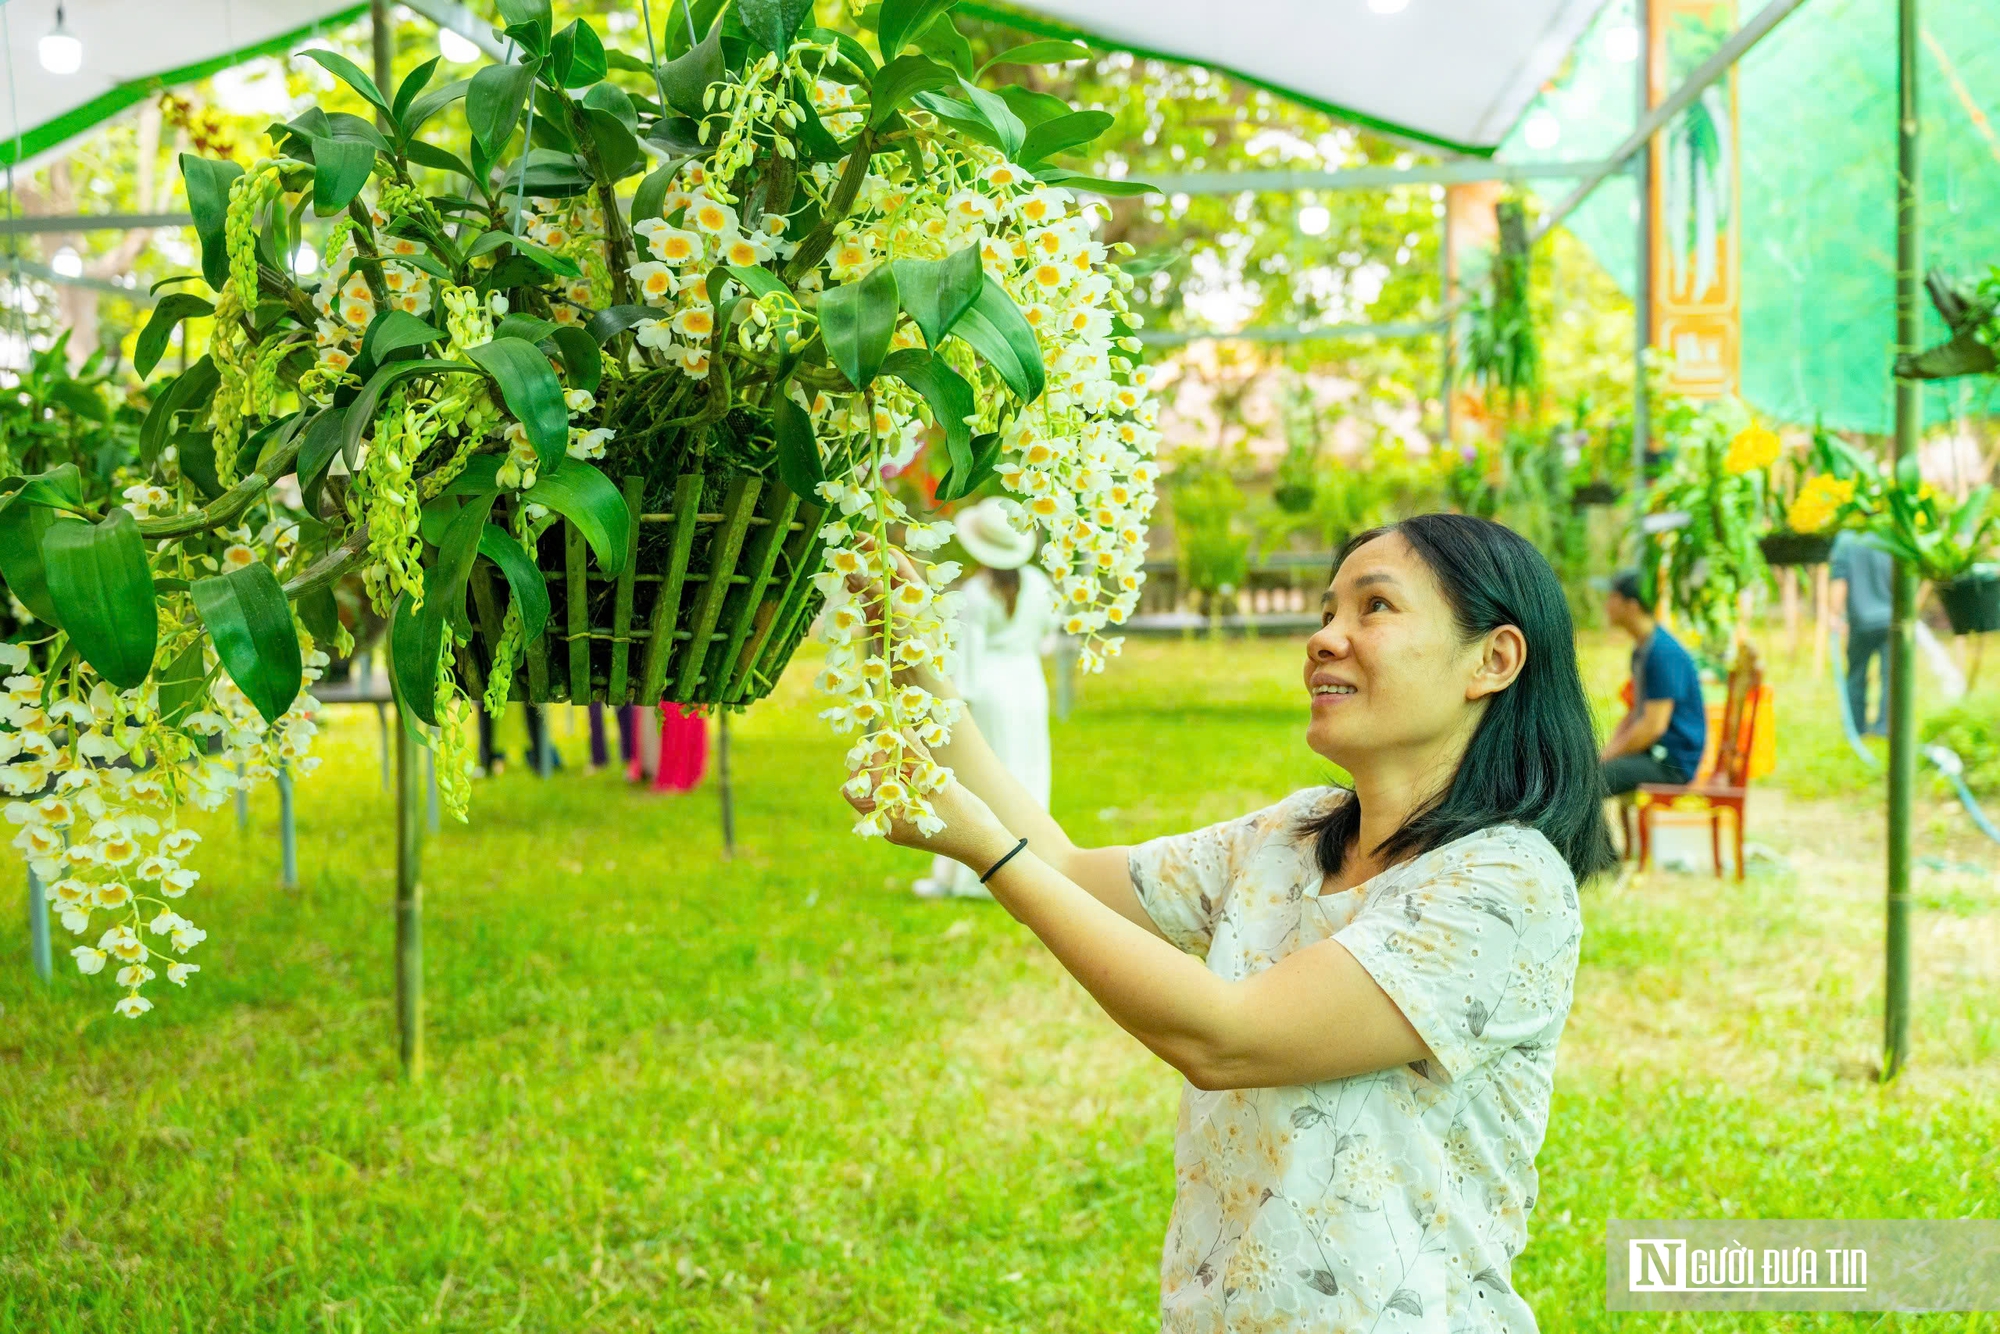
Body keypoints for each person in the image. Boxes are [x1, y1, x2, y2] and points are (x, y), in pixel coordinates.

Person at [840, 514, 1613, 1330]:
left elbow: (1229, 1037)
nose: (1324, 639)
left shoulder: (1507, 882)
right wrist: (912, 654)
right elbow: (1063, 868)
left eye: (1373, 608)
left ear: (1492, 660)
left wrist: (990, 855)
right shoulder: (1294, 836)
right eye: (1325, 613)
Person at [912, 498, 1060, 900]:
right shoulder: (1039, 584)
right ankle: (1034, 871)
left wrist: (956, 704)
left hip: (992, 688)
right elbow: (1048, 637)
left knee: (982, 783)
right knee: (1027, 774)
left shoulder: (975, 594)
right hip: (1028, 685)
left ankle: (972, 877)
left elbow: (968, 663)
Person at [1599, 569, 1707, 796]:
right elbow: (1635, 714)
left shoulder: (1662, 652)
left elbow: (1653, 726)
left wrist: (1606, 758)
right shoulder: (1643, 649)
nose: (1606, 605)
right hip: (1652, 754)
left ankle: (1594, 833)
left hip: (1671, 764)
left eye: (1612, 598)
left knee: (1589, 784)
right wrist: (1604, 753)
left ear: (1632, 606)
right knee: (1589, 776)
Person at [1829, 529, 1895, 736]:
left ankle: (1856, 727)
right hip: (1890, 620)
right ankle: (1885, 727)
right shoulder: (1890, 537)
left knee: (1856, 676)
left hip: (1861, 621)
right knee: (1891, 676)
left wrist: (1834, 613)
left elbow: (1840, 580)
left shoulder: (1846, 540)